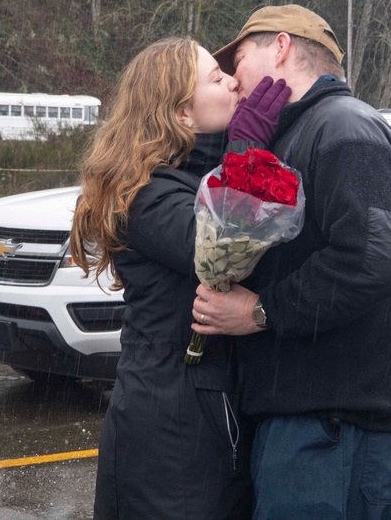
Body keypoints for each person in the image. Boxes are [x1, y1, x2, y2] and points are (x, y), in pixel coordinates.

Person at [191, 4, 391, 519]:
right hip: (311, 424)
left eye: (240, 59)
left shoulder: (345, 127)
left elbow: (375, 259)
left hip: (336, 429)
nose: (233, 79)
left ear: (280, 46)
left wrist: (260, 311)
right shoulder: (299, 131)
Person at [70, 37, 287, 519]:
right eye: (215, 78)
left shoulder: (190, 178)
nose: (232, 80)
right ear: (182, 114)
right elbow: (218, 249)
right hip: (170, 429)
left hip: (197, 416)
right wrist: (246, 150)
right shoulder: (146, 192)